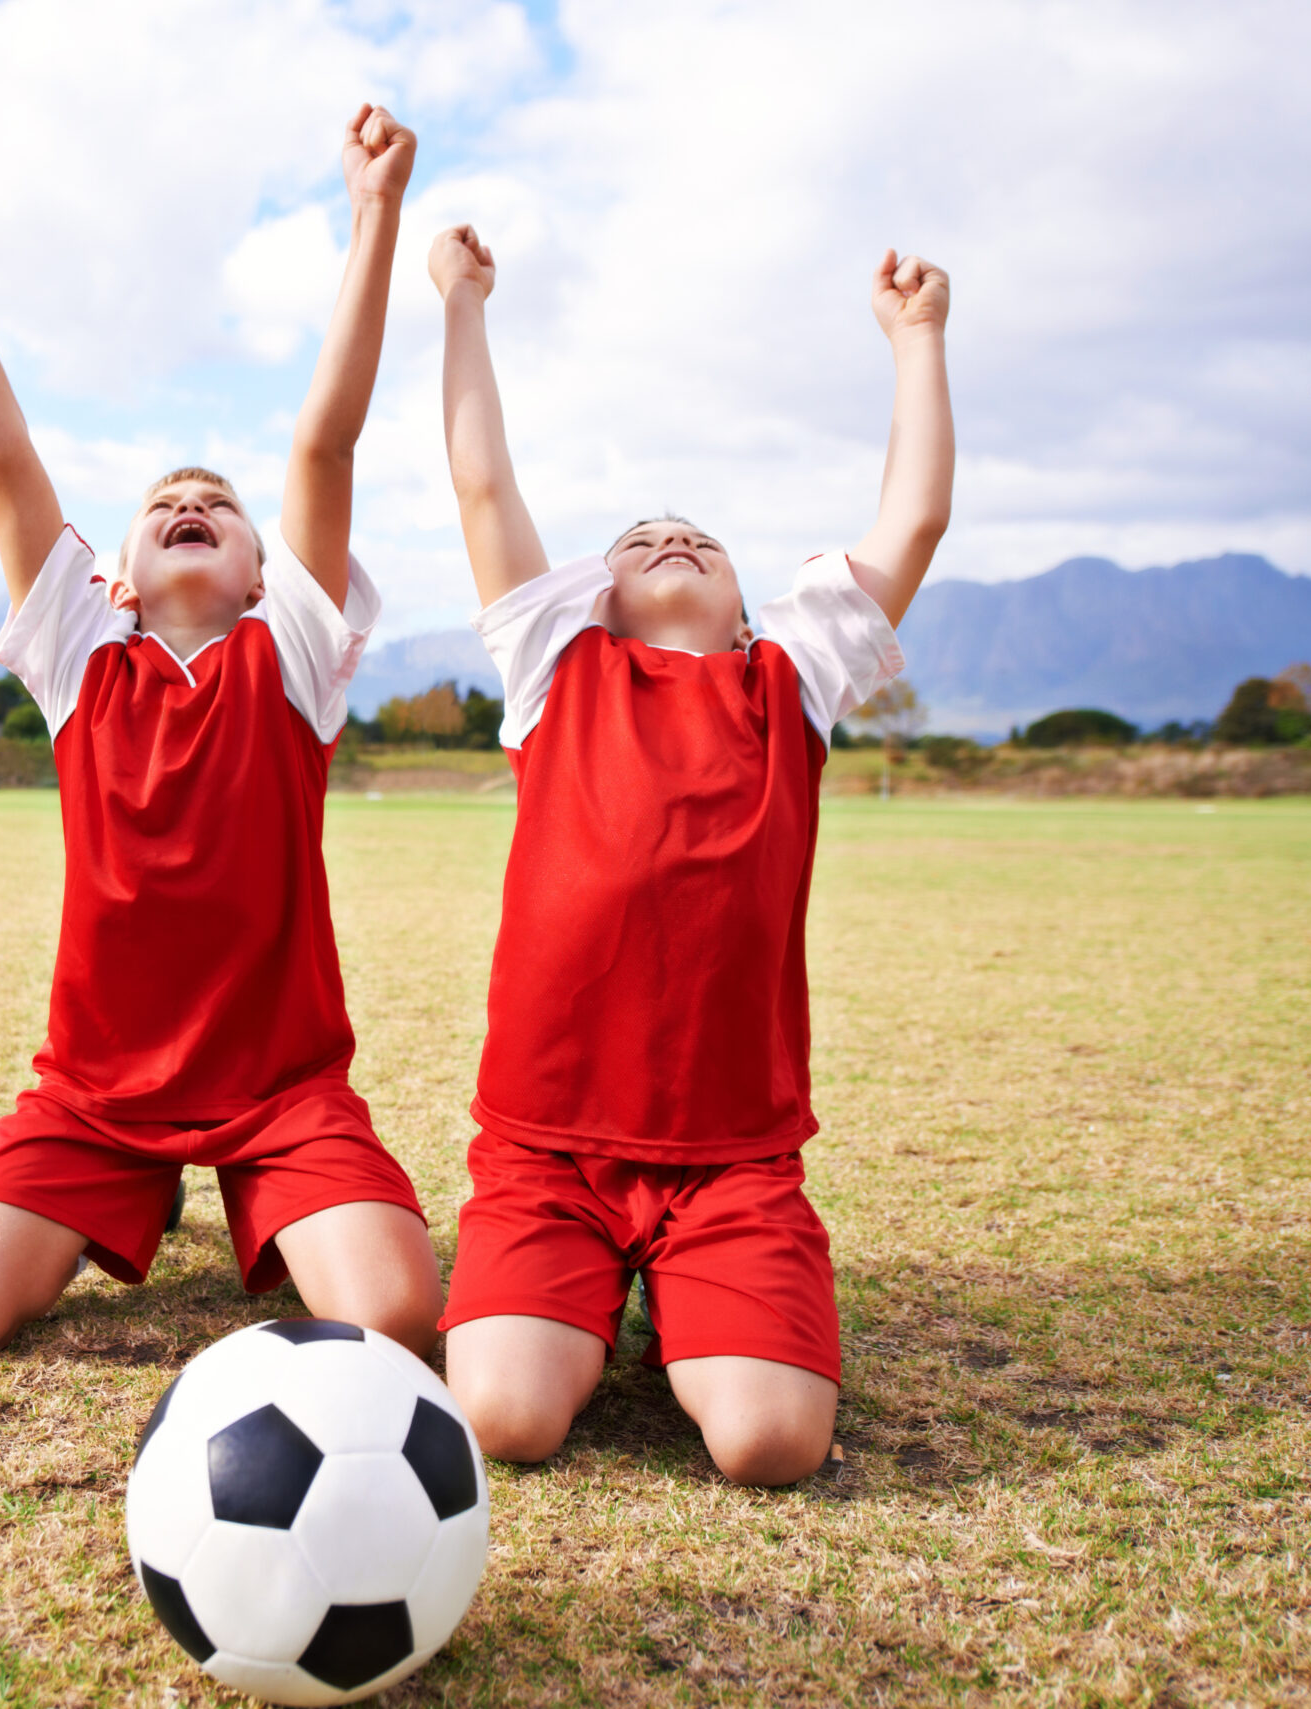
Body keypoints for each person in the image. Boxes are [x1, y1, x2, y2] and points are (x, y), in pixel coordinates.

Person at [0, 107, 443, 1356]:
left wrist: (373, 217)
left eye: (222, 508)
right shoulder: (81, 659)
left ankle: (257, 1187)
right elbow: (0, 454)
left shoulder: (291, 657)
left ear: (264, 574)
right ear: (116, 577)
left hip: (281, 1094)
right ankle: (137, 1181)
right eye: (163, 506)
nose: (192, 505)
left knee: (397, 1315)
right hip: (97, 1095)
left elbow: (324, 438)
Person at [424, 222, 954, 1483]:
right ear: (588, 597)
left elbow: (916, 515)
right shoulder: (560, 672)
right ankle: (595, 1286)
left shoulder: (795, 676)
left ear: (745, 594)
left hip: (732, 1158)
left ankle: (690, 1287)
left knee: (769, 1446)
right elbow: (482, 488)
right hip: (547, 1149)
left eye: (699, 535)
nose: (671, 536)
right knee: (504, 1420)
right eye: (639, 535)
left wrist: (917, 339)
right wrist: (461, 305)